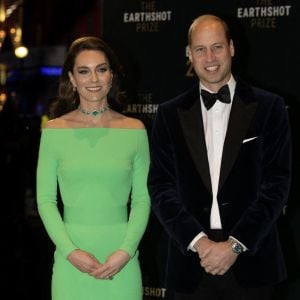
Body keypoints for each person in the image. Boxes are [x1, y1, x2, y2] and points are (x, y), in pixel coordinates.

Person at [147, 14, 292, 300]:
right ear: (189, 54)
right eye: (200, 49)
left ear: (232, 48)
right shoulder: (168, 114)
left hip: (253, 262)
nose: (210, 57)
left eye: (217, 47)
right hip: (190, 263)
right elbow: (161, 187)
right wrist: (200, 243)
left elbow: (277, 184)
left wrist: (235, 245)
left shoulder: (269, 107)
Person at [36, 36, 150, 300]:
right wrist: (70, 252)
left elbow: (143, 199)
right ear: (72, 79)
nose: (94, 79)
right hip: (70, 259)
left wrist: (126, 251)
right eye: (84, 71)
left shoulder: (134, 130)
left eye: (101, 69)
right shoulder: (54, 131)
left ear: (112, 75)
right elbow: (45, 200)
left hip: (122, 258)